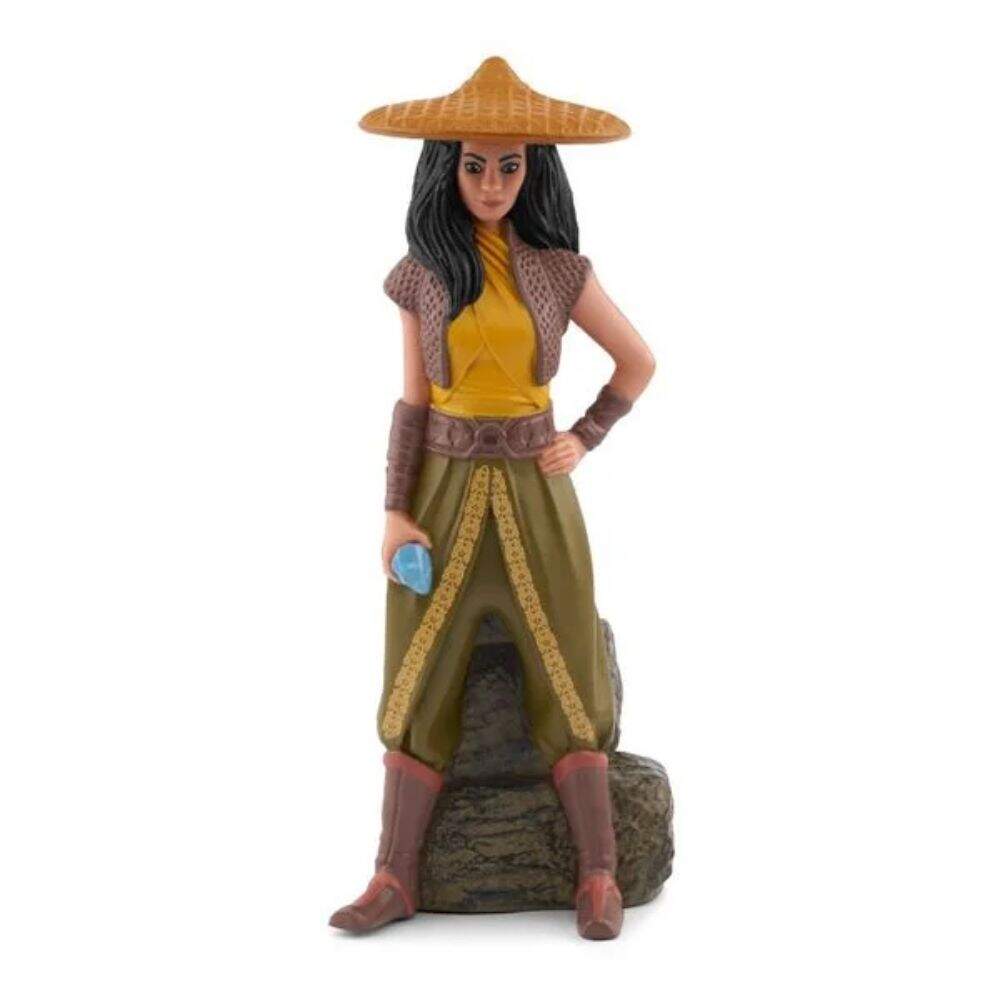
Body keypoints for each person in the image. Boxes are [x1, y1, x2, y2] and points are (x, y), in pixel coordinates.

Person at [328, 57, 655, 941]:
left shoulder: (557, 270)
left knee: (569, 663)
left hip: (536, 493)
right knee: (418, 665)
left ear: (533, 170)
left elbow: (637, 360)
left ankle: (598, 872)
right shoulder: (423, 273)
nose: (492, 183)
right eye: (475, 165)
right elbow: (412, 402)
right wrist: (394, 510)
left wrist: (585, 434)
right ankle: (395, 874)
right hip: (441, 489)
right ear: (447, 167)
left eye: (510, 165)